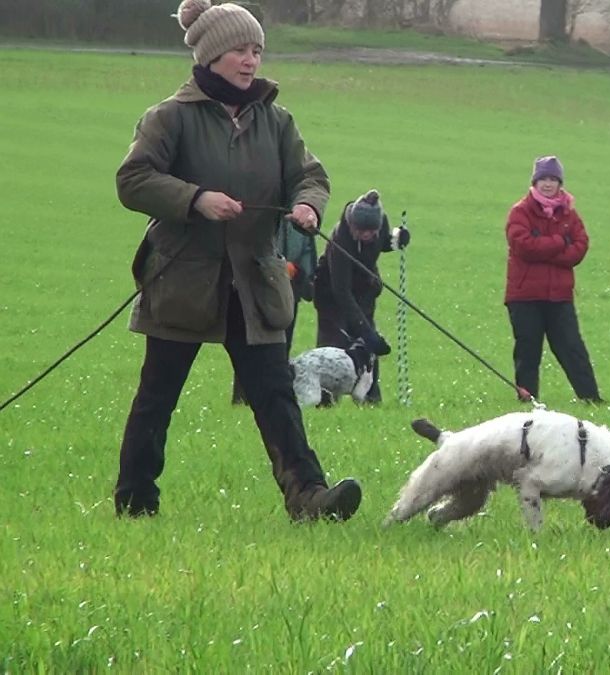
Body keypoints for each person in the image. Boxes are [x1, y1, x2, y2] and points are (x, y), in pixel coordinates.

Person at [113, 0, 361, 521]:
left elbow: (310, 176)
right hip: (181, 280)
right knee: (157, 396)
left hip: (255, 284)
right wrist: (196, 199)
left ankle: (310, 498)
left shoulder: (276, 120)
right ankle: (136, 502)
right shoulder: (169, 117)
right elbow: (132, 180)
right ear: (210, 55)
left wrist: (307, 205)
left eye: (257, 51)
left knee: (274, 394)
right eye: (239, 51)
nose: (251, 61)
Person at [504, 156, 602, 403]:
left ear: (560, 183)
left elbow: (580, 247)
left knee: (572, 348)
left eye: (553, 179)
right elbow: (523, 246)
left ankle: (591, 398)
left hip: (559, 296)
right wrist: (560, 242)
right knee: (528, 351)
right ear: (535, 182)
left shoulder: (569, 213)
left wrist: (547, 250)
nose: (548, 184)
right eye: (543, 179)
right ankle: (529, 399)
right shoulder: (520, 211)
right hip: (525, 296)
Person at [312, 189, 410, 404]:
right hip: (332, 296)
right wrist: (364, 330)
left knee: (368, 348)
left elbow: (382, 242)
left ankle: (371, 398)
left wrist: (396, 239)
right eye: (361, 232)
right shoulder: (340, 241)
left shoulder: (380, 221)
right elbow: (341, 291)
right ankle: (325, 400)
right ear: (353, 226)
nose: (366, 236)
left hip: (364, 290)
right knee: (333, 347)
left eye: (371, 232)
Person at [231, 216, 317, 404]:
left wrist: (298, 272)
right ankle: (242, 398)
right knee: (250, 344)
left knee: (281, 347)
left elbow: (308, 253)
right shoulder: (263, 216)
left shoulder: (299, 221)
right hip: (256, 289)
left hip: (288, 294)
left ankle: (275, 397)